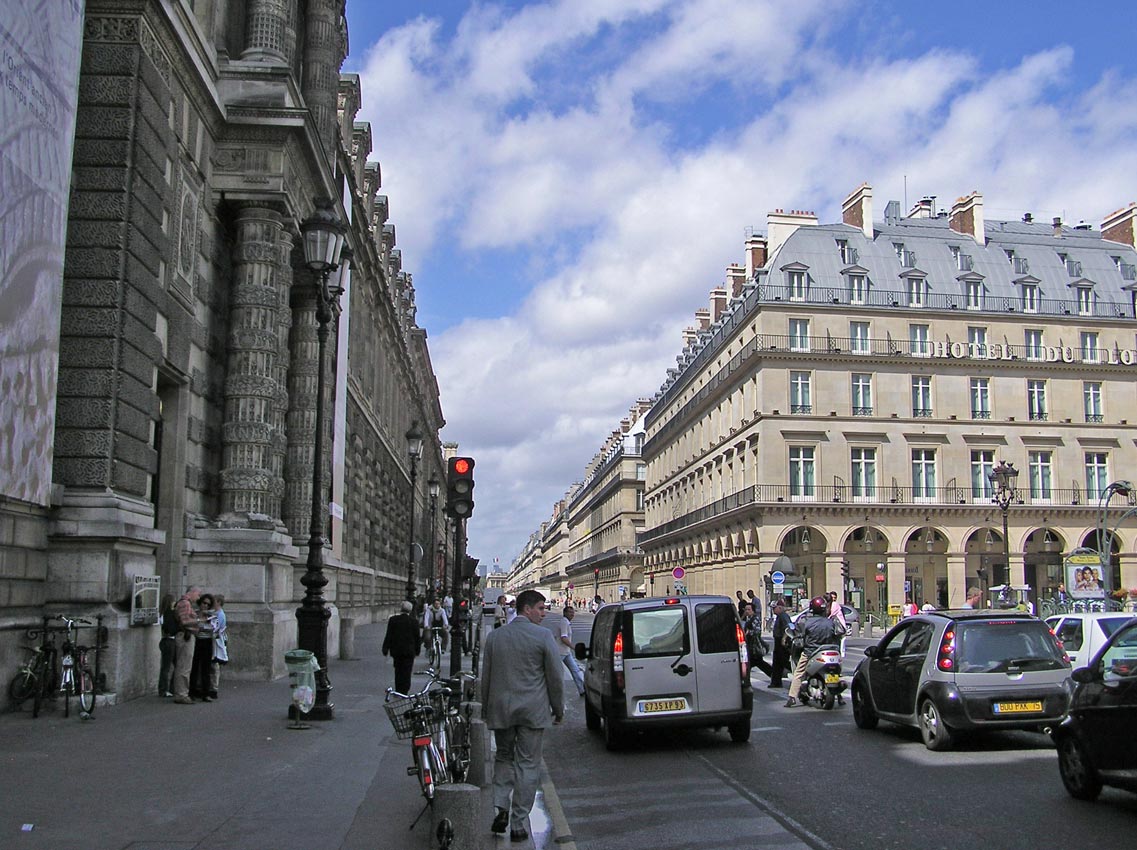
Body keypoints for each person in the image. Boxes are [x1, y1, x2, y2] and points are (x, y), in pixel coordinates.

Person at [481, 590, 564, 843]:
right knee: (528, 764)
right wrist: (558, 709)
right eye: (540, 608)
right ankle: (518, 823)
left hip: (502, 709)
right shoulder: (543, 636)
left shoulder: (495, 637)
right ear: (526, 609)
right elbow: (555, 678)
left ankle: (500, 808)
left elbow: (487, 678)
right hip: (532, 712)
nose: (544, 613)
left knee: (504, 758)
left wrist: (486, 708)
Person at [785, 596, 838, 708]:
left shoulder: (807, 622)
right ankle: (840, 697)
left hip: (811, 652)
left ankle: (792, 697)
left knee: (798, 673)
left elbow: (800, 635)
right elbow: (838, 633)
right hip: (829, 650)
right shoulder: (830, 622)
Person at [382, 601, 421, 694]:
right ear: (410, 610)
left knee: (398, 669)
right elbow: (417, 638)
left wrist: (385, 648)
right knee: (407, 671)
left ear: (401, 609)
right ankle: (405, 689)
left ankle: (398, 688)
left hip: (397, 650)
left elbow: (389, 635)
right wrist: (417, 650)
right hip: (409, 651)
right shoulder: (414, 622)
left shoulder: (393, 620)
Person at [172, 585, 202, 705]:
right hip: (185, 635)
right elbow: (185, 621)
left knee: (184, 665)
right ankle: (181, 694)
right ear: (192, 592)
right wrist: (200, 621)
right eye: (198, 594)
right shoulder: (185, 603)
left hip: (186, 635)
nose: (198, 597)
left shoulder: (184, 603)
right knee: (184, 666)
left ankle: (181, 692)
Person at [189, 593, 216, 701]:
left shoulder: (211, 616)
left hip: (207, 641)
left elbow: (214, 629)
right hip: (197, 640)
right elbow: (194, 627)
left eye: (208, 604)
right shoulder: (195, 614)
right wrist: (201, 622)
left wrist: (207, 621)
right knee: (194, 667)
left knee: (206, 668)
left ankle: (206, 692)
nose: (205, 606)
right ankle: (192, 691)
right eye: (204, 603)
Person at [558, 604, 585, 696]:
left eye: (573, 612)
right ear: (564, 613)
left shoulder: (566, 622)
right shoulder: (564, 622)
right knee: (556, 673)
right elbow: (563, 637)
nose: (572, 614)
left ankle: (582, 690)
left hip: (566, 652)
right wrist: (573, 647)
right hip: (560, 652)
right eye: (570, 612)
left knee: (575, 670)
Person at [742, 603, 773, 679]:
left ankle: (774, 676)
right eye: (746, 609)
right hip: (749, 645)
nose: (747, 611)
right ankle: (774, 676)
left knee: (755, 662)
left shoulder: (755, 618)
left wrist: (749, 632)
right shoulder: (748, 618)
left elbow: (757, 631)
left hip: (754, 645)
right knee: (757, 662)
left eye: (749, 609)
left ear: (753, 610)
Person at [157, 593, 178, 697]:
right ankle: (165, 689)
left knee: (167, 666)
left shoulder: (162, 613)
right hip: (169, 640)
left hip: (165, 640)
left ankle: (167, 688)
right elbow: (171, 629)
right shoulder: (169, 613)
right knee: (168, 666)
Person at [769, 598, 792, 688]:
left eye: (774, 608)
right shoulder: (779, 616)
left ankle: (798, 672)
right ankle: (776, 682)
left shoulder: (783, 616)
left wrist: (784, 639)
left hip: (782, 642)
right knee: (777, 663)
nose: (773, 610)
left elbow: (788, 627)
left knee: (782, 661)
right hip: (778, 641)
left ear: (780, 607)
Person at [208, 594, 228, 700]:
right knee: (213, 665)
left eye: (214, 601)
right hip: (215, 640)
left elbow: (216, 628)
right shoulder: (215, 613)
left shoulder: (220, 614)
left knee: (214, 665)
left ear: (219, 602)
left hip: (216, 641)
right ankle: (212, 686)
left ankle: (214, 687)